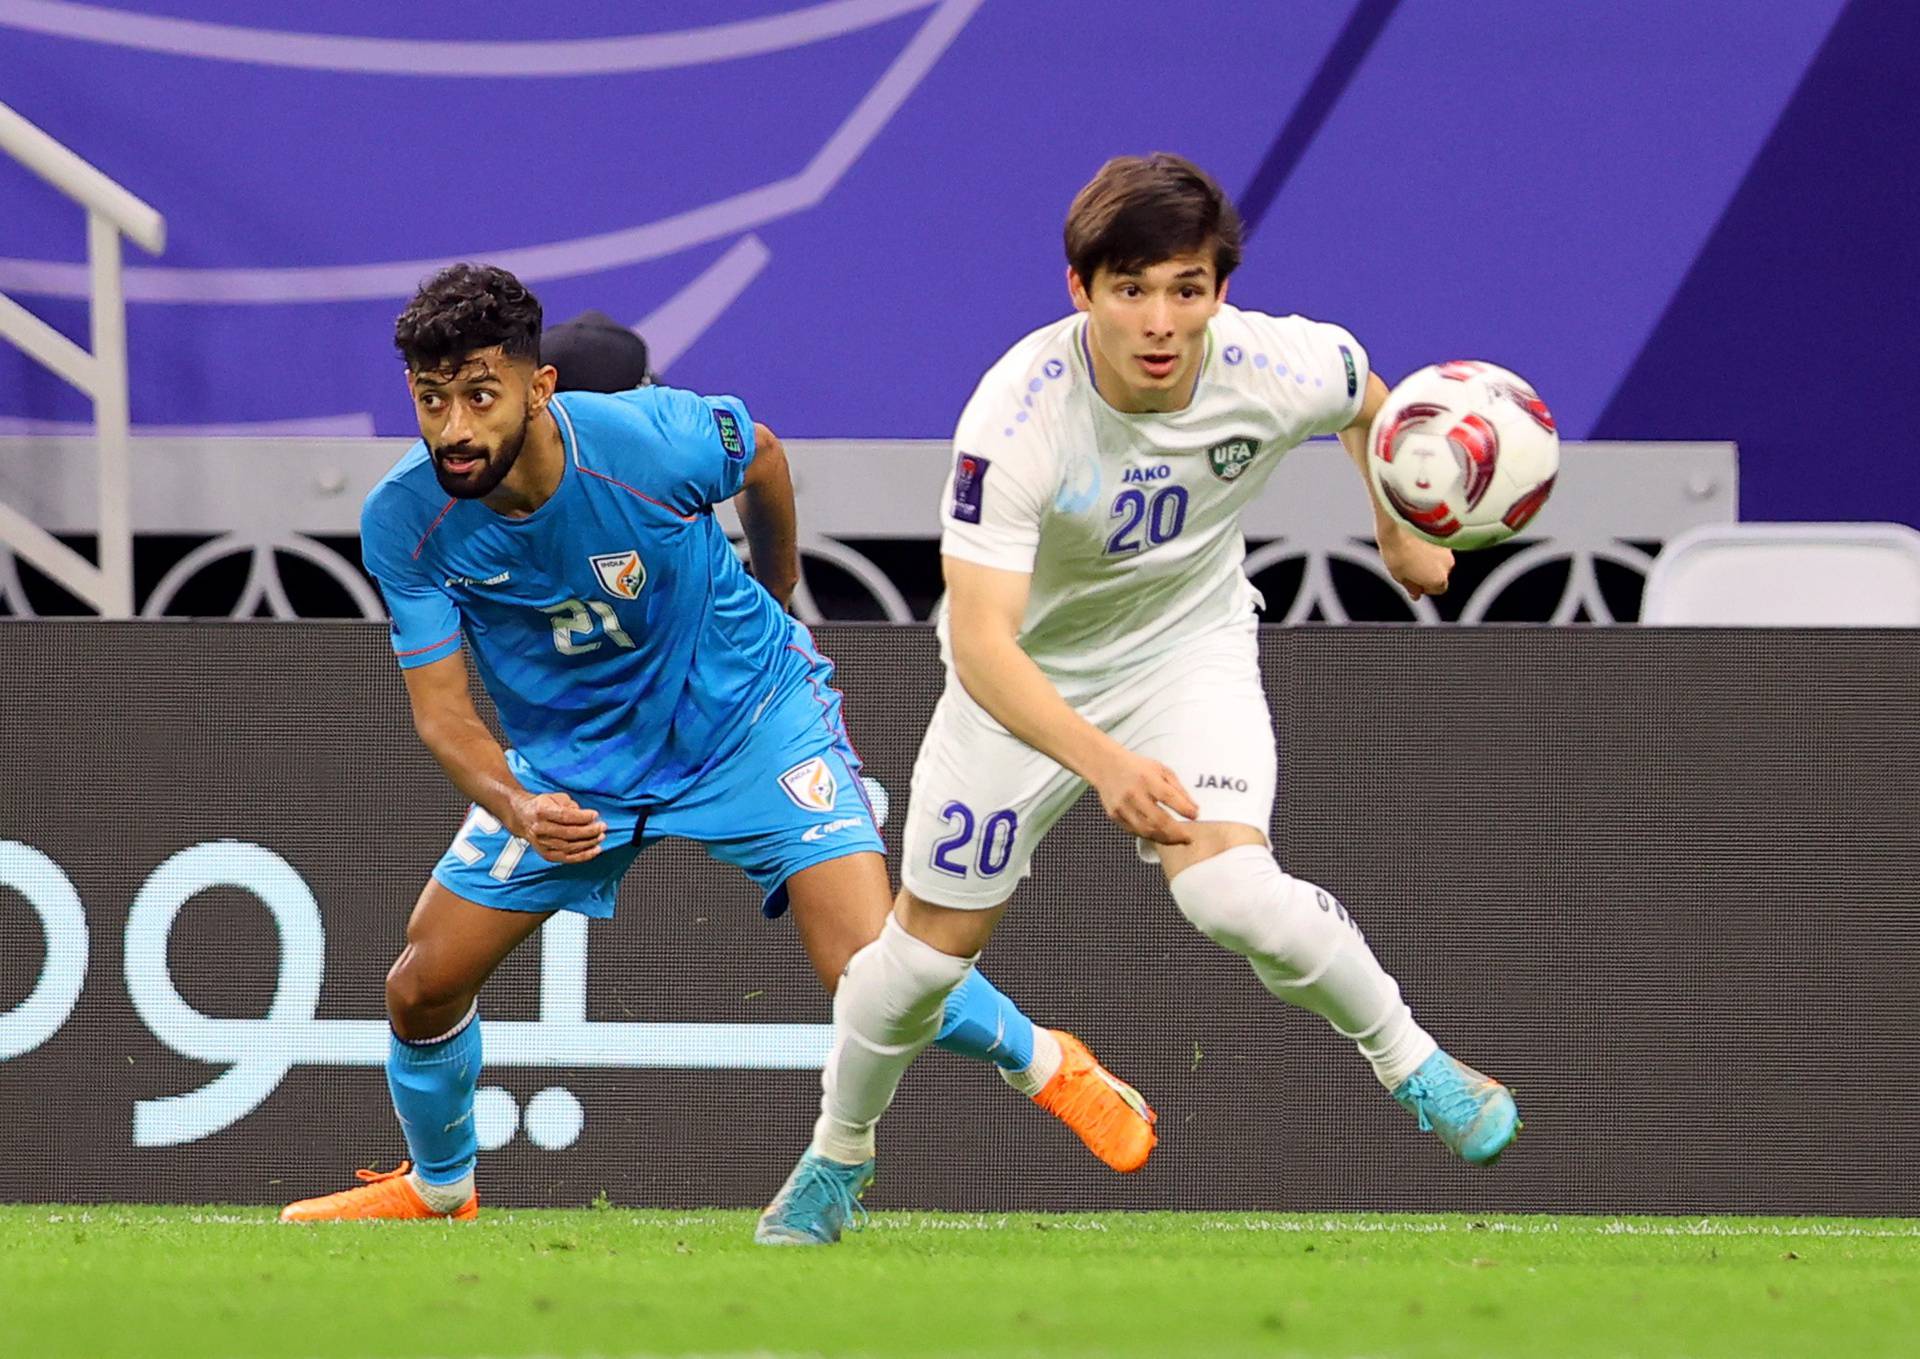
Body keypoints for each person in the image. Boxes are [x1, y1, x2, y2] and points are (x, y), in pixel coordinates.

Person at [279, 264, 1156, 1223]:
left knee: (869, 965)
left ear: (539, 388)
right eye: (431, 399)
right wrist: (518, 805)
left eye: (479, 395)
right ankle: (440, 1188)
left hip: (746, 720)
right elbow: (444, 714)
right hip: (573, 769)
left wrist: (776, 597)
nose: (453, 428)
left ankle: (1046, 1062)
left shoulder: (650, 440)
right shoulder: (405, 520)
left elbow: (766, 458)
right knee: (420, 985)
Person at [757, 154, 1521, 1246]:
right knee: (917, 962)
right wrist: (1104, 761)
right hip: (1022, 683)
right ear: (1081, 291)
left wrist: (1394, 522)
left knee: (1231, 895)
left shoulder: (1275, 362)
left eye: (1188, 289)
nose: (1162, 321)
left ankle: (1420, 1066)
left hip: (1184, 652)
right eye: (1131, 291)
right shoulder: (1019, 417)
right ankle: (839, 1155)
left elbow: (1367, 397)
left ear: (1218, 288)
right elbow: (980, 642)